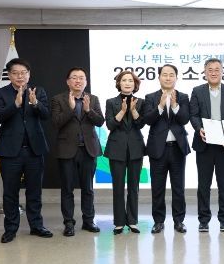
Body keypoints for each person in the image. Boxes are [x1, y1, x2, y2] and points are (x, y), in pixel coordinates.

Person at [0, 58, 52, 243]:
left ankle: (36, 226)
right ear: (9, 75)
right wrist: (16, 104)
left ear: (29, 74)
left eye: (23, 73)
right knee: (10, 192)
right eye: (15, 73)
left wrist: (35, 103)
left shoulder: (38, 91)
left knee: (34, 191)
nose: (20, 76)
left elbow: (46, 115)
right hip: (10, 151)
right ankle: (10, 229)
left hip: (34, 150)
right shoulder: (0, 93)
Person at [50, 67, 105, 236]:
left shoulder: (93, 99)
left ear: (86, 82)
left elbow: (100, 121)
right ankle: (69, 223)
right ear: (68, 81)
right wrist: (71, 109)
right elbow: (56, 123)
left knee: (88, 188)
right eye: (74, 77)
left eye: (81, 78)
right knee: (67, 189)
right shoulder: (58, 99)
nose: (78, 80)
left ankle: (88, 221)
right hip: (67, 150)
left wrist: (88, 110)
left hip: (88, 150)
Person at [189, 58, 224, 232]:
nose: (213, 72)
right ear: (204, 72)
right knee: (203, 185)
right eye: (210, 69)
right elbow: (194, 115)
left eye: (217, 69)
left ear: (222, 72)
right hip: (204, 144)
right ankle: (203, 220)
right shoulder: (197, 91)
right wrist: (199, 129)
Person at [142, 64, 191, 234]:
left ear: (176, 78)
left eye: (171, 75)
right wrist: (161, 106)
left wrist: (175, 106)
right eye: (165, 74)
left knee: (178, 188)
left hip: (177, 148)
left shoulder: (183, 97)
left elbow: (185, 119)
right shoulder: (150, 97)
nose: (168, 77)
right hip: (158, 148)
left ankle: (179, 221)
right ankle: (158, 221)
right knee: (157, 188)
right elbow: (148, 120)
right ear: (159, 77)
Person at [103, 70, 146, 235]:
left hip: (136, 148)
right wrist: (122, 111)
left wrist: (133, 111)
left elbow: (141, 124)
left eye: (130, 81)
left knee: (134, 187)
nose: (127, 83)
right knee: (118, 187)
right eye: (124, 80)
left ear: (135, 84)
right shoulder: (111, 102)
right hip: (116, 149)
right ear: (119, 83)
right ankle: (119, 222)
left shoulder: (141, 102)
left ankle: (132, 221)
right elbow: (110, 125)